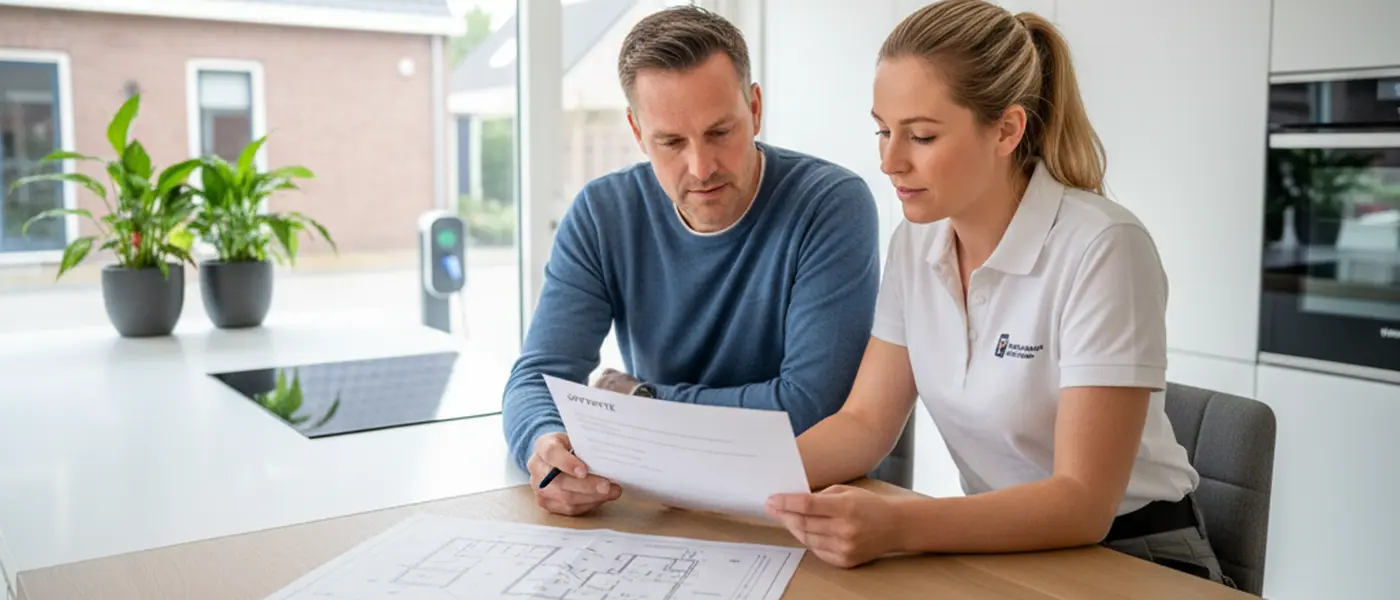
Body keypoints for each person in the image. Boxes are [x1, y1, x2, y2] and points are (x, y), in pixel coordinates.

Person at [762, 0, 1233, 588]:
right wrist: (730, 482)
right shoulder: (916, 242)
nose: (889, 160)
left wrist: (901, 524)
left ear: (1007, 129)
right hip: (1005, 548)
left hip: (1138, 556)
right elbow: (863, 422)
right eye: (883, 130)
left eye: (922, 135)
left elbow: (1082, 502)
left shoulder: (1104, 247)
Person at [502, 6, 882, 518]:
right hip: (665, 506)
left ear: (755, 108)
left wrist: (641, 402)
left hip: (802, 508)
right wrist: (545, 447)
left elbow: (809, 410)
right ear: (638, 132)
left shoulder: (830, 204)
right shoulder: (602, 214)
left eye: (720, 132)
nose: (701, 168)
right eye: (672, 142)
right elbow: (539, 376)